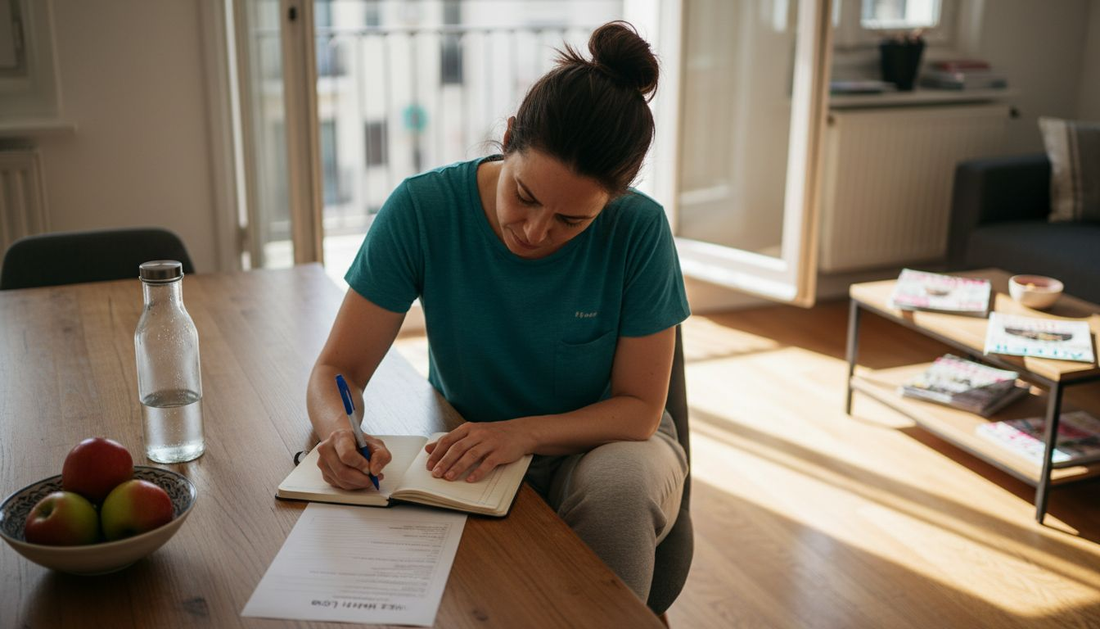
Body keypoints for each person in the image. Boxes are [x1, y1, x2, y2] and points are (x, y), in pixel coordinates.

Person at [306, 20, 689, 603]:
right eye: (525, 196)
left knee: (616, 494)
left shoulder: (639, 230)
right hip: (474, 442)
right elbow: (337, 369)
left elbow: (638, 412)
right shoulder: (423, 210)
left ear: (614, 199)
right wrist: (340, 432)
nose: (535, 232)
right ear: (509, 138)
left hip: (606, 443)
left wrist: (523, 433)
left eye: (571, 221)